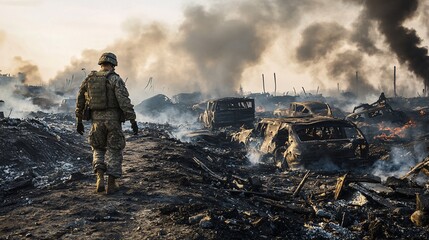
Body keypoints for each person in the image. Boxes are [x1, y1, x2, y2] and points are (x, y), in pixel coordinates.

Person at [75, 52, 138, 194]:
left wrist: (79, 120)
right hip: (113, 121)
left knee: (97, 149)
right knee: (115, 150)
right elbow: (124, 101)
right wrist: (132, 120)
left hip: (96, 122)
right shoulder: (115, 79)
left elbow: (80, 100)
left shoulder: (89, 79)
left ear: (101, 64)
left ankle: (99, 178)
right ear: (113, 65)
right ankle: (111, 184)